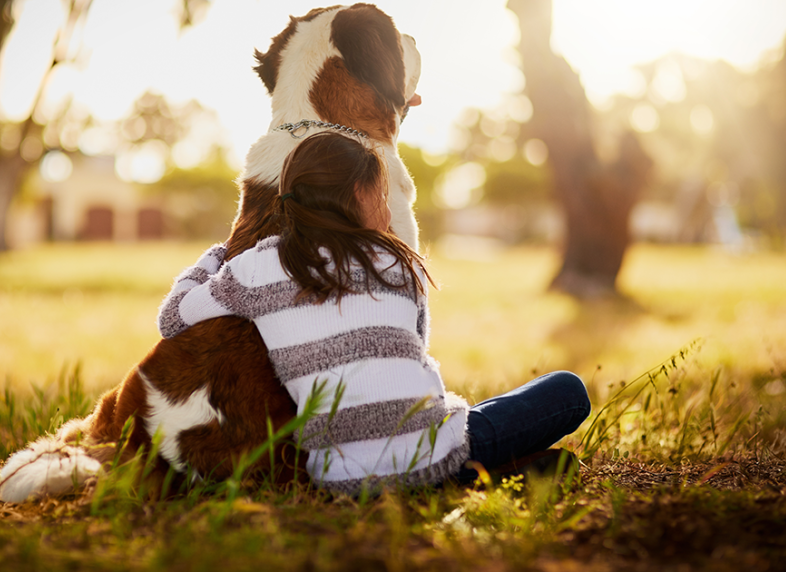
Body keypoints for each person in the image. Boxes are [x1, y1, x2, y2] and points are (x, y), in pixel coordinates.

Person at [157, 132, 589, 495]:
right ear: (358, 194)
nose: (386, 213)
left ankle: (482, 475)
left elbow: (172, 318)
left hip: (338, 479)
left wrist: (216, 258)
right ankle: (468, 475)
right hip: (433, 454)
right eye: (382, 196)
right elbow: (415, 358)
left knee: (459, 425)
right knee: (567, 390)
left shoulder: (256, 267)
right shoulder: (397, 260)